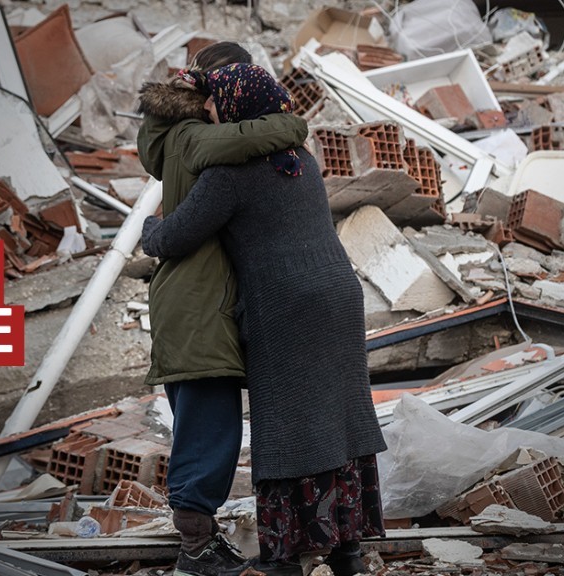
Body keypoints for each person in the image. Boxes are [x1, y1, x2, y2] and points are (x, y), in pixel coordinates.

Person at [140, 63, 388, 576]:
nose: (207, 110)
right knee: (340, 421)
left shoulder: (230, 175)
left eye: (213, 101)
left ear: (234, 107)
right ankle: (348, 552)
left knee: (285, 430)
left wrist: (149, 225)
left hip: (286, 306)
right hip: (340, 297)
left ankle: (285, 559)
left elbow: (174, 238)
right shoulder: (303, 159)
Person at [136, 43, 310, 576]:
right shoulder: (192, 139)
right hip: (197, 305)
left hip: (194, 301)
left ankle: (201, 547)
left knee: (207, 426)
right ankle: (195, 552)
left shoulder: (170, 137)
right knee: (209, 431)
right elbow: (254, 135)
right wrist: (293, 125)